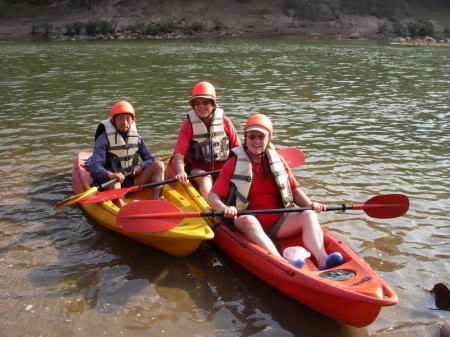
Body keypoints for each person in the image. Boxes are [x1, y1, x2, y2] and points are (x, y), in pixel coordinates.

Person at [207, 114, 343, 270]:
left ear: (268, 139)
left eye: (261, 136)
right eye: (252, 137)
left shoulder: (278, 161)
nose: (256, 141)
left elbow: (294, 190)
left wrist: (310, 205)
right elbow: (212, 197)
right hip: (247, 223)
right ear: (246, 138)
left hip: (278, 222)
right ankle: (283, 264)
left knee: (309, 214)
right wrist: (224, 208)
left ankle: (323, 259)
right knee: (249, 220)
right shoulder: (233, 164)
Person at [86, 101, 165, 207]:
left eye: (128, 118)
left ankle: (156, 200)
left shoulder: (137, 138)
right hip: (112, 181)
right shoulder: (103, 139)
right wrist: (110, 174)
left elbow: (150, 159)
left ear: (133, 120)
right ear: (114, 120)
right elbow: (95, 165)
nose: (124, 122)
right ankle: (123, 207)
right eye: (120, 118)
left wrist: (140, 167)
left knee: (159, 165)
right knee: (115, 182)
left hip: (132, 180)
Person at [171, 81, 241, 199]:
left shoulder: (225, 122)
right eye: (197, 103)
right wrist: (181, 172)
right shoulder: (188, 126)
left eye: (205, 102)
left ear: (213, 104)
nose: (201, 106)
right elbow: (179, 155)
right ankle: (214, 208)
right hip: (198, 171)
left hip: (223, 170)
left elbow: (238, 149)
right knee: (205, 178)